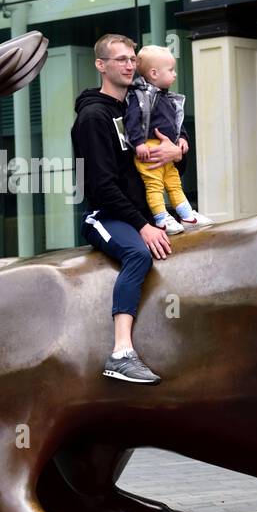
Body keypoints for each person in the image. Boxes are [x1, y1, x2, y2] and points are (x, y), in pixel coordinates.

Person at [72, 33, 182, 384]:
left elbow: (169, 161)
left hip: (147, 212)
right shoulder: (93, 117)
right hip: (106, 216)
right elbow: (101, 186)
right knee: (138, 255)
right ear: (100, 65)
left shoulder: (142, 104)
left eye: (132, 58)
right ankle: (121, 352)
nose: (130, 64)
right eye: (120, 59)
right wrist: (143, 226)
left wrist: (177, 152)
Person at [125, 44, 211, 234]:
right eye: (171, 70)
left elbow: (177, 123)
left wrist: (182, 138)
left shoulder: (167, 98)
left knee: (174, 183)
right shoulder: (141, 96)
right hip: (149, 149)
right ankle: (162, 218)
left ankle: (188, 215)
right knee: (154, 186)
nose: (175, 74)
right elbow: (132, 120)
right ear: (154, 73)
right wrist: (139, 143)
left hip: (169, 150)